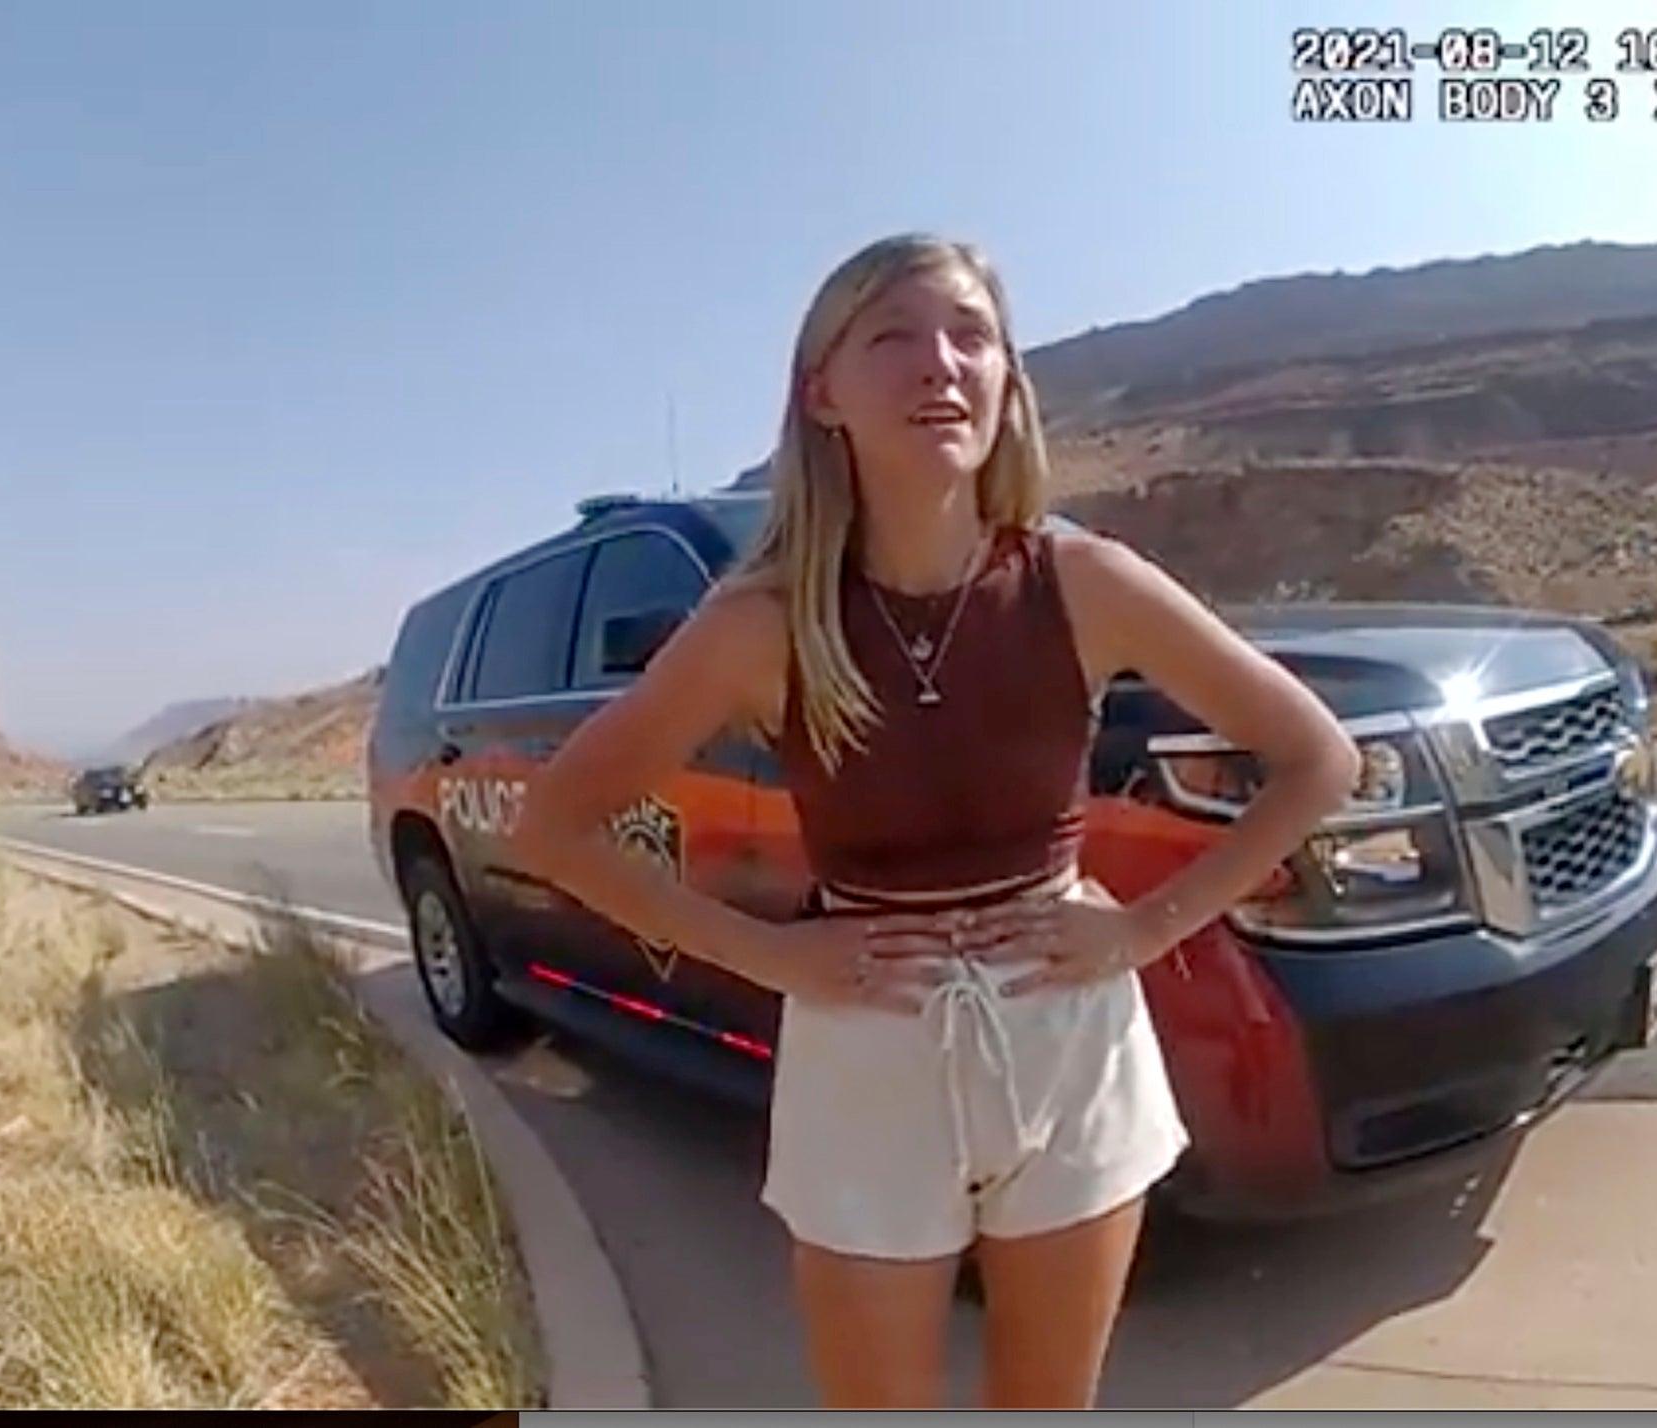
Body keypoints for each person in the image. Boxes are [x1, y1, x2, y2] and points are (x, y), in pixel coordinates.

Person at [516, 232, 1361, 1408]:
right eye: (893, 337)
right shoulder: (762, 625)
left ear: (1008, 380)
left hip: (1068, 1034)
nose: (940, 365)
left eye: (971, 335)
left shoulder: (1084, 581)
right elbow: (555, 826)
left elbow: (1318, 759)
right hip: (869, 1052)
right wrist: (766, 952)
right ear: (824, 392)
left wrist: (1144, 930)